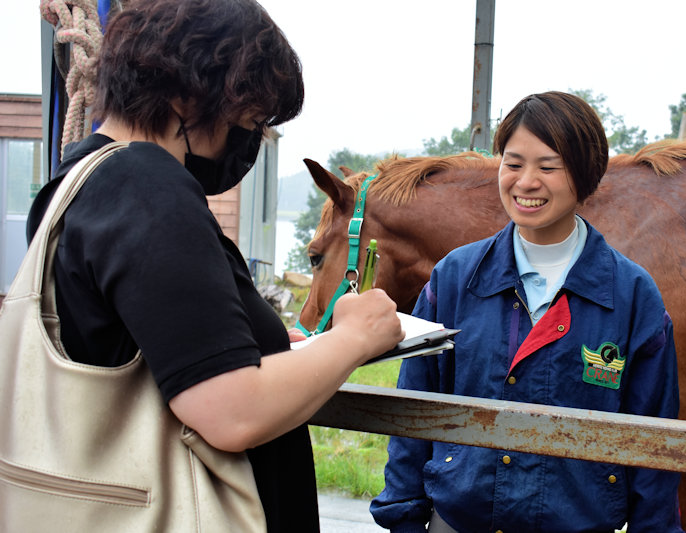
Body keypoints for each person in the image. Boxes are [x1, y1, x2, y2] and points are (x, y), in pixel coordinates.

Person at [26, 1, 403, 531]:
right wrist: (356, 335)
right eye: (249, 120)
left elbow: (149, 343)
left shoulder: (78, 177)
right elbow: (231, 409)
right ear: (187, 89)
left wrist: (266, 346)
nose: (247, 142)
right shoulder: (147, 189)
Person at [370, 92, 683, 533]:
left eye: (547, 167)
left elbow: (654, 443)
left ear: (585, 174)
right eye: (513, 164)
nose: (526, 182)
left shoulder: (632, 295)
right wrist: (403, 517)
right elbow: (414, 413)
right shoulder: (456, 279)